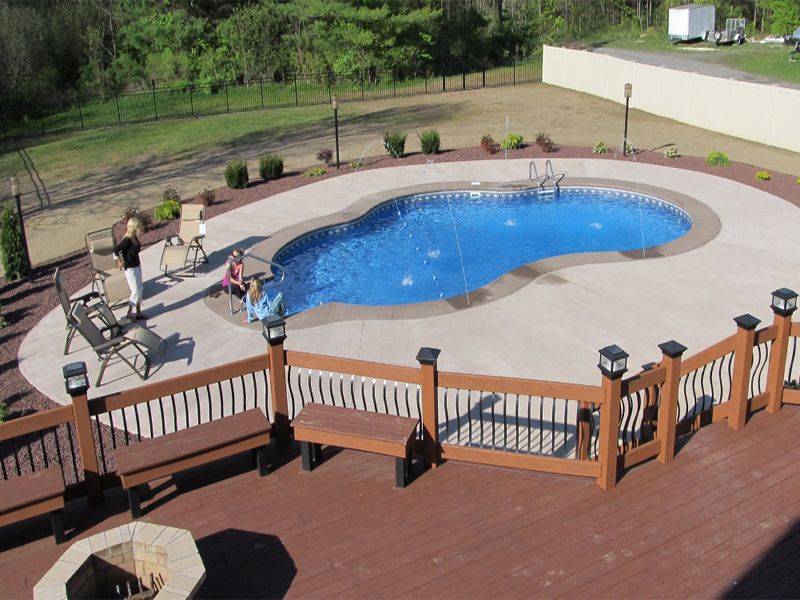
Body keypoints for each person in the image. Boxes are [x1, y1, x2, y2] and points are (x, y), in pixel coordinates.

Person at [113, 217, 146, 320]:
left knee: (139, 289)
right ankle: (129, 313)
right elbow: (115, 249)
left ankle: (139, 312)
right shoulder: (127, 240)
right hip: (131, 269)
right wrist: (120, 262)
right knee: (135, 291)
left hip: (137, 266)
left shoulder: (133, 237)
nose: (139, 228)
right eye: (137, 227)